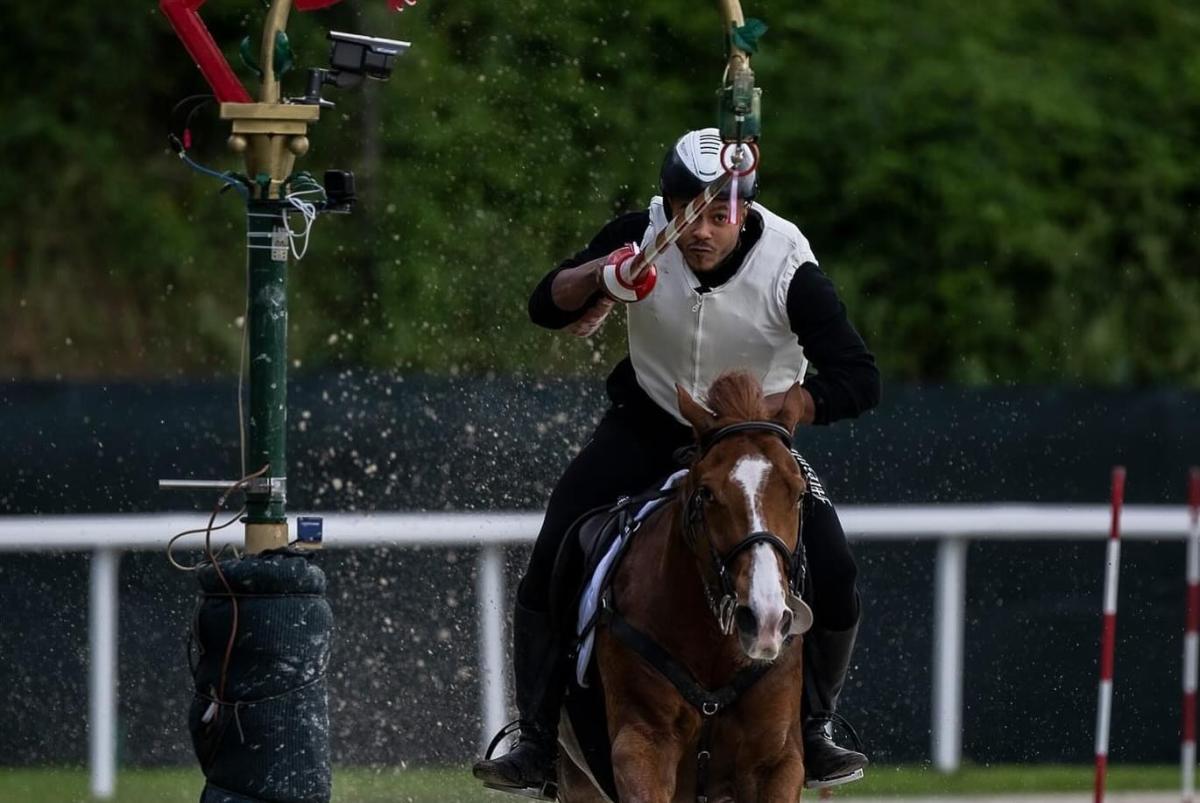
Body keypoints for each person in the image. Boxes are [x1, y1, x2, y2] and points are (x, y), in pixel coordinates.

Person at [473, 127, 881, 796]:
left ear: (743, 209)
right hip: (647, 425)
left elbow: (860, 376)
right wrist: (605, 277)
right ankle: (539, 740)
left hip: (755, 443)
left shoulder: (789, 266)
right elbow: (546, 303)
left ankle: (814, 726)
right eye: (685, 207)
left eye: (717, 212)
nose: (699, 228)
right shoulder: (641, 234)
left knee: (833, 568)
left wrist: (791, 404)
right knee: (554, 552)